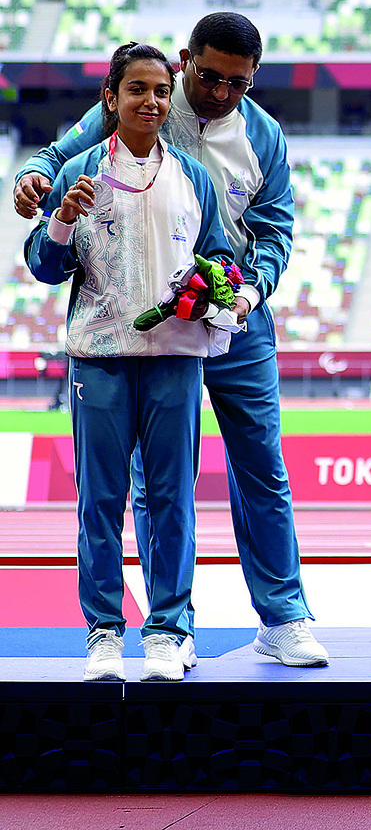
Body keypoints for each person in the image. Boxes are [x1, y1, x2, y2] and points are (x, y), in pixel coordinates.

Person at [13, 13, 328, 667]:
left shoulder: (263, 136)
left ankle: (284, 617)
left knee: (261, 469)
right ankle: (170, 629)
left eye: (236, 83)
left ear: (252, 79)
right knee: (157, 483)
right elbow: (56, 156)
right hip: (146, 323)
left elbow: (274, 231)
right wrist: (34, 180)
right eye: (207, 76)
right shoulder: (147, 97)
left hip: (233, 316)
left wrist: (245, 294)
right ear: (185, 60)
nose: (217, 92)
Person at [25, 43, 234, 682]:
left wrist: (214, 290)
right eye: (137, 90)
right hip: (99, 360)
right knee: (101, 500)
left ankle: (169, 631)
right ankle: (103, 633)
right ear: (110, 99)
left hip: (175, 359)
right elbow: (43, 265)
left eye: (161, 92)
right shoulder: (80, 170)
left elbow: (222, 257)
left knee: (172, 499)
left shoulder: (193, 177)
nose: (151, 101)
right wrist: (61, 220)